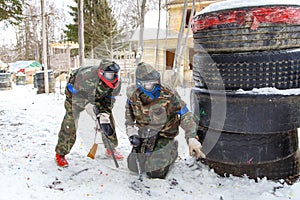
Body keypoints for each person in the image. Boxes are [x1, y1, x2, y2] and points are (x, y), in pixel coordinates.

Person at [125, 62, 205, 179]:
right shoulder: (132, 93)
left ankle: (172, 149)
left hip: (164, 134)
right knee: (133, 166)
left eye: (155, 82)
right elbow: (129, 118)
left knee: (155, 172)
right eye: (148, 84)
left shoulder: (168, 93)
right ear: (139, 84)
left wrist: (191, 137)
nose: (154, 86)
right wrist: (132, 132)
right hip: (145, 133)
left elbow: (185, 114)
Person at [55, 59, 124, 167]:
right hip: (76, 97)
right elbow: (71, 94)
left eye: (116, 74)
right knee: (70, 122)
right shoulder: (84, 77)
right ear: (102, 73)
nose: (114, 77)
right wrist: (87, 105)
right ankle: (61, 153)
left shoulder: (116, 84)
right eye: (110, 75)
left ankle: (111, 147)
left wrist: (103, 114)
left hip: (99, 98)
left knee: (108, 120)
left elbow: (109, 100)